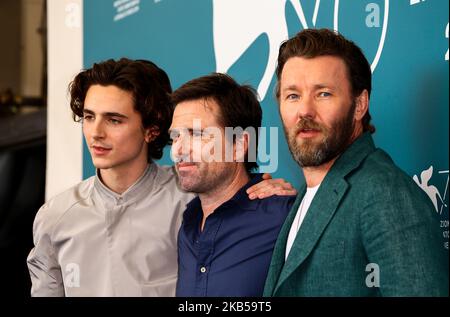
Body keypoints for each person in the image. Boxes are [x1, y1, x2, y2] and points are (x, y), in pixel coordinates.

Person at [26, 58, 293, 297]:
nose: (96, 132)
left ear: (151, 131)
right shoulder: (54, 217)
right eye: (88, 117)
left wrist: (261, 187)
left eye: (114, 120)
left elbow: (231, 186)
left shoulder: (192, 197)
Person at [263, 29, 449, 296]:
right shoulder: (307, 193)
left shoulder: (385, 192)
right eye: (293, 95)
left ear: (359, 105)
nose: (305, 110)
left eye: (323, 93)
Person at [170, 73, 296, 297]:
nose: (178, 149)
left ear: (239, 145)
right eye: (175, 136)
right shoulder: (188, 225)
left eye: (197, 134)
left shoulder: (285, 218)